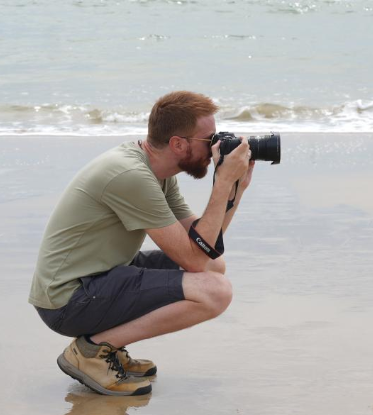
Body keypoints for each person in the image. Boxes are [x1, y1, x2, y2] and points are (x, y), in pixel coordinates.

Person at [29, 91, 254, 396]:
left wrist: (235, 189)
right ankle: (93, 351)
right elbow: (193, 261)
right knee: (216, 292)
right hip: (68, 299)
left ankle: (109, 343)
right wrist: (224, 182)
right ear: (178, 144)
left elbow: (204, 247)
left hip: (100, 274)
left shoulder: (158, 171)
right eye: (209, 139)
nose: (216, 147)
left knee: (216, 265)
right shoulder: (132, 175)